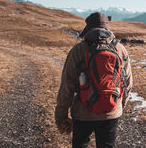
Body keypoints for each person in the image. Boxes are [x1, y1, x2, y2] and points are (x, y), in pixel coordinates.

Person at [55, 12, 133, 148]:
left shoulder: (78, 50)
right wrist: (119, 105)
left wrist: (61, 116)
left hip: (82, 113)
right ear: (107, 28)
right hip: (111, 110)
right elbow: (127, 82)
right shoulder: (120, 49)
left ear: (89, 28)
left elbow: (67, 85)